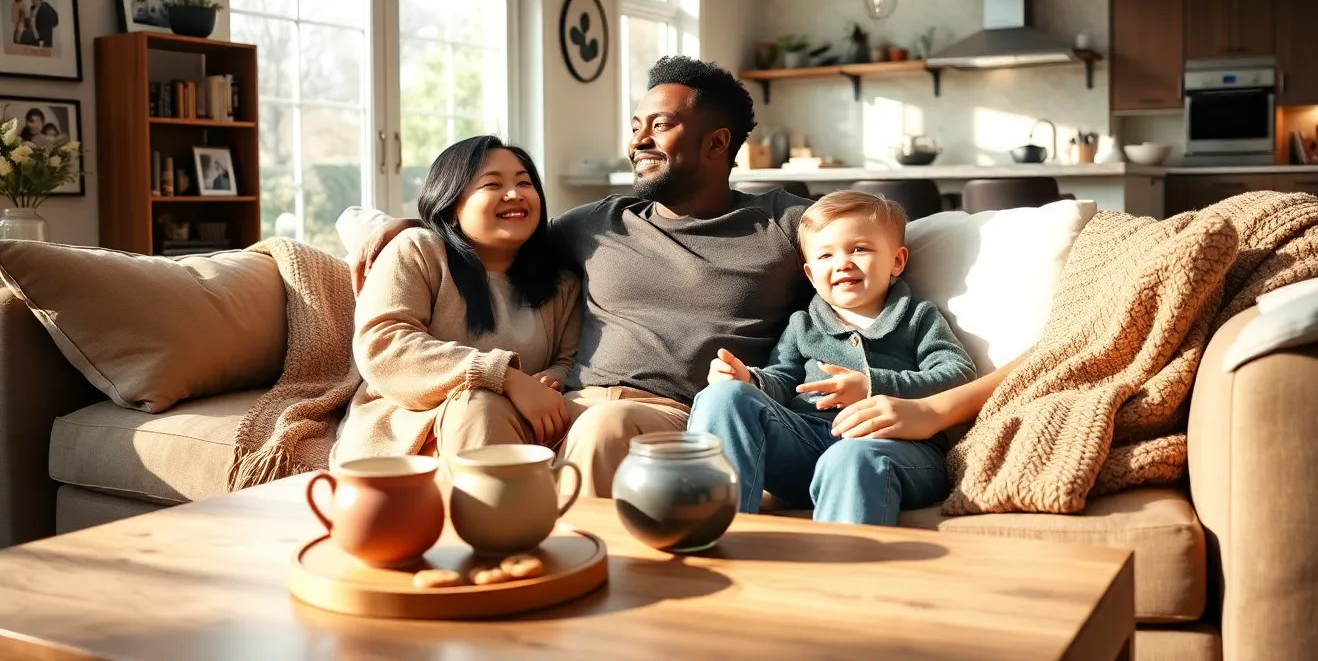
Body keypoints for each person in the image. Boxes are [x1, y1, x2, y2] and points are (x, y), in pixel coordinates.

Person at [350, 57, 814, 497]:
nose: (639, 141)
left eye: (660, 125)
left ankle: (586, 568)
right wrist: (416, 225)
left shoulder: (784, 223)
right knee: (477, 405)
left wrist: (886, 392)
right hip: (570, 403)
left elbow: (875, 240)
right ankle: (486, 553)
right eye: (635, 127)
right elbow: (501, 233)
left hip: (678, 418)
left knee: (604, 426)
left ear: (716, 143)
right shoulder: (596, 225)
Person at [687, 191, 975, 525]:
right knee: (722, 397)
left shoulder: (917, 318)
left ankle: (841, 569)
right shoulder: (803, 325)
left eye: (859, 249)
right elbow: (783, 379)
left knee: (851, 456)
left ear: (897, 261)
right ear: (810, 274)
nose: (842, 263)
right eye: (826, 256)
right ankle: (711, 534)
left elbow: (959, 374)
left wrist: (873, 387)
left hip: (894, 450)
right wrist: (750, 381)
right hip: (806, 447)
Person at [332, 136, 583, 465]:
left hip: (522, 430)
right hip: (413, 428)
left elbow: (571, 359)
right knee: (481, 406)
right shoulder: (419, 250)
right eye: (493, 184)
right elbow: (384, 346)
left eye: (525, 182)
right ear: (451, 207)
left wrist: (554, 378)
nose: (515, 193)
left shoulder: (562, 282)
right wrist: (505, 378)